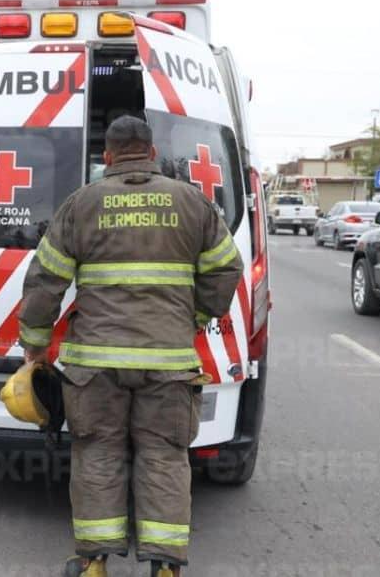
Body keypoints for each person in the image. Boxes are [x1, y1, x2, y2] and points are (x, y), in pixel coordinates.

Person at [16, 116, 243, 577]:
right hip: (169, 365)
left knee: (97, 455)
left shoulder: (82, 203)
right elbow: (226, 268)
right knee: (164, 458)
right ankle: (164, 569)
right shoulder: (190, 201)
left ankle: (94, 565)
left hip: (95, 367)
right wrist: (195, 317)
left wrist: (35, 346)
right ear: (153, 152)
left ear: (109, 157)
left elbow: (45, 281)